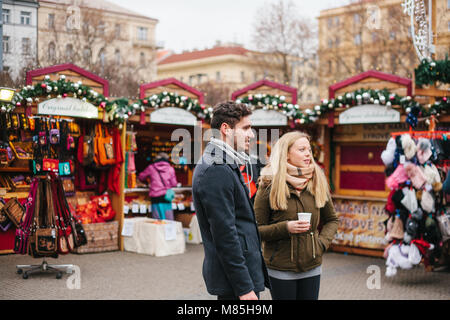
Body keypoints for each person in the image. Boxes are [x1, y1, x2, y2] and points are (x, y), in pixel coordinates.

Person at [192, 101, 270, 300]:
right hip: (235, 283)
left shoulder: (225, 162)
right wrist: (244, 287)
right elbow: (225, 235)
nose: (251, 135)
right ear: (225, 129)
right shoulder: (216, 168)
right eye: (246, 128)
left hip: (241, 274)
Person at [254, 131, 338, 300]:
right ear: (286, 154)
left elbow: (332, 220)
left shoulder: (317, 180)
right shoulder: (269, 184)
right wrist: (286, 228)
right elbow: (256, 230)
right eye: (301, 149)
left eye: (309, 149)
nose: (308, 153)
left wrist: (320, 244)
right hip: (280, 268)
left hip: (312, 266)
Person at [138, 152, 178, 220]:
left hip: (155, 197)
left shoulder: (151, 167)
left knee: (157, 220)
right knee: (168, 220)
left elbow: (141, 177)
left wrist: (148, 181)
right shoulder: (170, 169)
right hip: (166, 196)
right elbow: (174, 183)